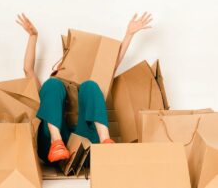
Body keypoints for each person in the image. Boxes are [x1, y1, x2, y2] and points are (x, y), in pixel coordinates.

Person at [16, 12, 152, 164]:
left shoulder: (86, 87)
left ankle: (105, 143)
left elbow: (111, 66)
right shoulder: (51, 88)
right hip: (49, 147)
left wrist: (129, 34)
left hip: (84, 147)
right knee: (52, 84)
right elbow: (28, 69)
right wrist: (33, 36)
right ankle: (57, 142)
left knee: (91, 85)